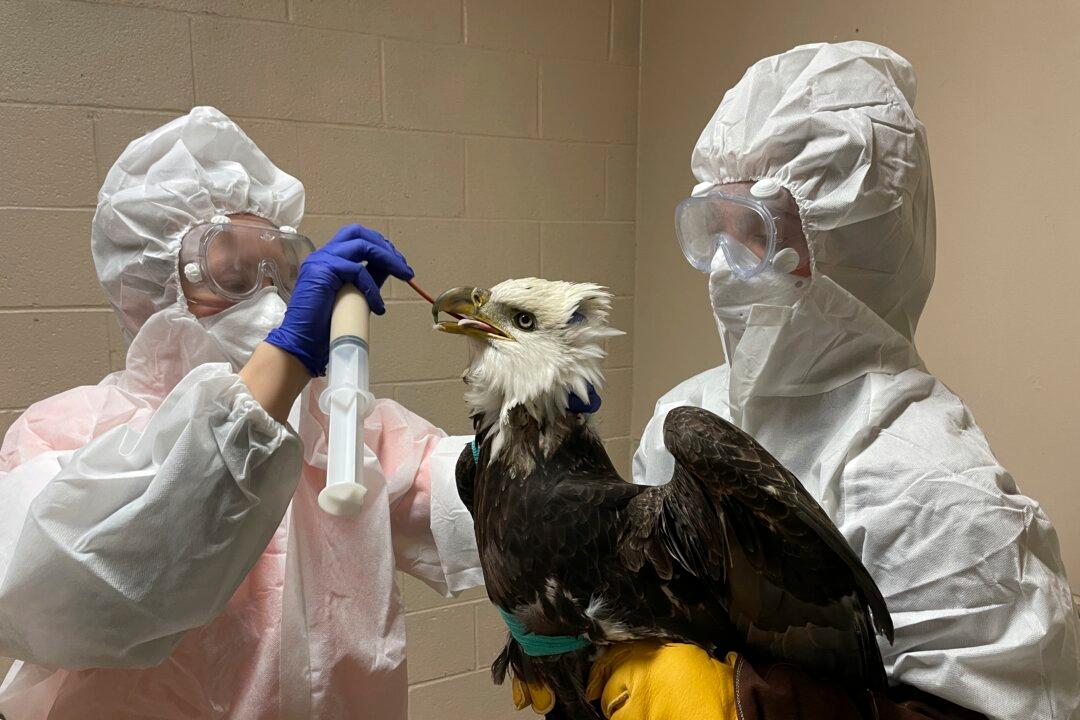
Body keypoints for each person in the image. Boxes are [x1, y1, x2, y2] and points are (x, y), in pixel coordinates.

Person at [439, 41, 1080, 719]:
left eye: (758, 231)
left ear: (852, 245)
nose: (721, 266)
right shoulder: (687, 413)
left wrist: (744, 703)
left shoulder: (941, 496)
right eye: (711, 227)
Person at [0, 107, 478, 719]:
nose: (272, 301)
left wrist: (538, 435)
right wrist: (272, 381)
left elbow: (471, 504)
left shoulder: (340, 429)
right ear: (150, 289)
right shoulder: (66, 431)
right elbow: (88, 590)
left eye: (282, 275)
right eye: (235, 276)